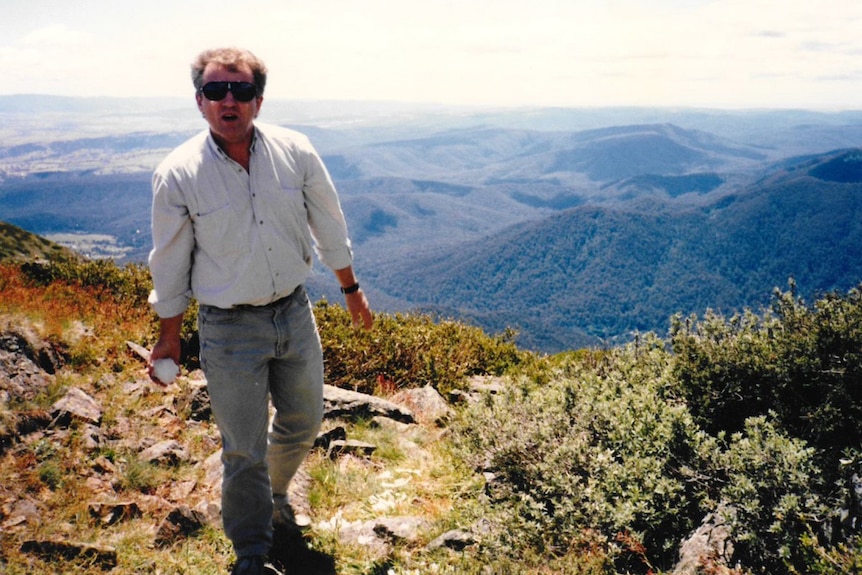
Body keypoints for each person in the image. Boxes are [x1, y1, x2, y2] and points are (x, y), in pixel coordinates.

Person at [146, 47, 373, 575]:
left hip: (294, 311)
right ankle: (252, 551)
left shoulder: (295, 151)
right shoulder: (178, 174)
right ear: (199, 102)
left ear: (259, 99)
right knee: (242, 446)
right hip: (227, 326)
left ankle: (270, 494)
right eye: (217, 91)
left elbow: (329, 222)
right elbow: (171, 261)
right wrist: (169, 335)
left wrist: (351, 287)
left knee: (303, 418)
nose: (230, 100)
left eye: (242, 90)